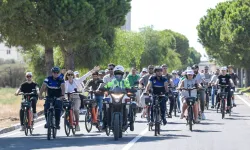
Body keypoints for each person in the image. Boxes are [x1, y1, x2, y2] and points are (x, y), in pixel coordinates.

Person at [64, 67, 99, 131]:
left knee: (76, 110)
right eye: (69, 75)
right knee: (66, 109)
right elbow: (63, 90)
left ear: (73, 75)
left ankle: (77, 123)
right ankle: (67, 120)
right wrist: (64, 96)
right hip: (68, 98)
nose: (70, 76)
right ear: (67, 76)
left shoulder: (76, 81)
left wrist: (93, 70)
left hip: (76, 97)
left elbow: (85, 76)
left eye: (71, 74)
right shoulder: (65, 83)